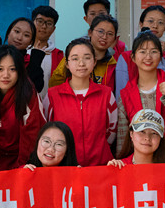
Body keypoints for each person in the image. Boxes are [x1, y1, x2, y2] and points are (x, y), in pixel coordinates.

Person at [115, 33, 165, 164]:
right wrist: (122, 165)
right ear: (133, 57)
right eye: (142, 52)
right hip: (144, 167)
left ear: (161, 56)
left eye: (154, 51)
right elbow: (123, 139)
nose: (148, 57)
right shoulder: (125, 94)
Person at [45, 38, 116, 166]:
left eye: (87, 58)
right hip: (65, 166)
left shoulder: (106, 94)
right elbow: (46, 130)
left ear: (94, 62)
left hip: (100, 166)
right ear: (67, 63)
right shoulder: (52, 95)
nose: (81, 63)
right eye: (75, 58)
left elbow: (111, 130)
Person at [0, 45, 45, 170]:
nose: (5, 75)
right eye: (0, 69)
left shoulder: (28, 94)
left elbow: (32, 136)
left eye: (12, 69)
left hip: (22, 162)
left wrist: (21, 167)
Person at [114, 5, 165, 98]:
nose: (155, 26)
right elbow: (121, 95)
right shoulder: (125, 58)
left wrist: (159, 58)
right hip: (132, 106)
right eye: (150, 21)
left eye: (160, 23)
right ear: (141, 24)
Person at [49, 15, 119, 91]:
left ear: (115, 38)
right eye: (100, 31)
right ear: (90, 32)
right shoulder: (73, 57)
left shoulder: (113, 64)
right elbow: (55, 84)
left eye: (110, 34)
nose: (104, 37)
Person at [0, 18, 46, 92]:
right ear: (8, 33)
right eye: (17, 31)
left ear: (31, 42)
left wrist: (36, 60)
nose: (19, 38)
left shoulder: (30, 62)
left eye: (26, 35)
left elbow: (35, 88)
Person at [30, 5, 63, 99]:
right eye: (40, 21)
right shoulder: (23, 52)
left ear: (53, 29)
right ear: (32, 23)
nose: (44, 26)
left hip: (51, 104)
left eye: (49, 23)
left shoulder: (59, 56)